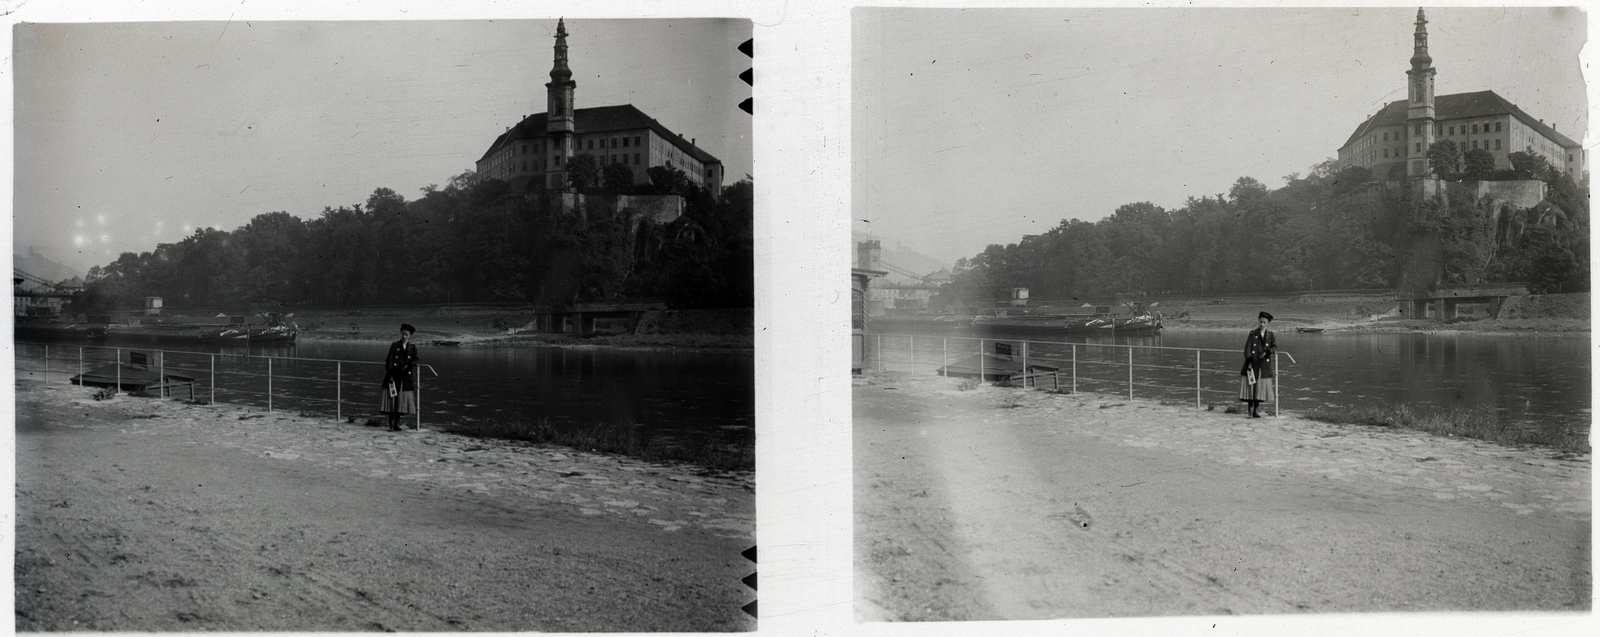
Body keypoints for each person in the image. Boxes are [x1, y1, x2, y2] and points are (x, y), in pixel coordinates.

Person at [380, 323, 419, 431]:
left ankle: (397, 423)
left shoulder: (412, 347)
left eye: (406, 334)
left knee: (401, 402)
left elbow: (416, 359)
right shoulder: (394, 345)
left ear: (409, 336)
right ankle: (391, 424)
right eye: (402, 334)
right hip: (394, 377)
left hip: (405, 379)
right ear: (400, 334)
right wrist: (391, 374)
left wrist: (410, 364)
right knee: (392, 400)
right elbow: (389, 361)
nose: (404, 336)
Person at [1238, 311, 1277, 418]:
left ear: (1268, 323)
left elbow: (1274, 346)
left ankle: (1256, 410)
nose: (1262, 324)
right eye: (1260, 322)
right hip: (1253, 365)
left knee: (1260, 389)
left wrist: (1268, 352)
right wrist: (1249, 361)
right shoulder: (1252, 333)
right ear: (1258, 321)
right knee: (1251, 388)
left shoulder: (1270, 335)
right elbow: (1247, 349)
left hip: (1263, 366)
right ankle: (1250, 411)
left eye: (1264, 322)